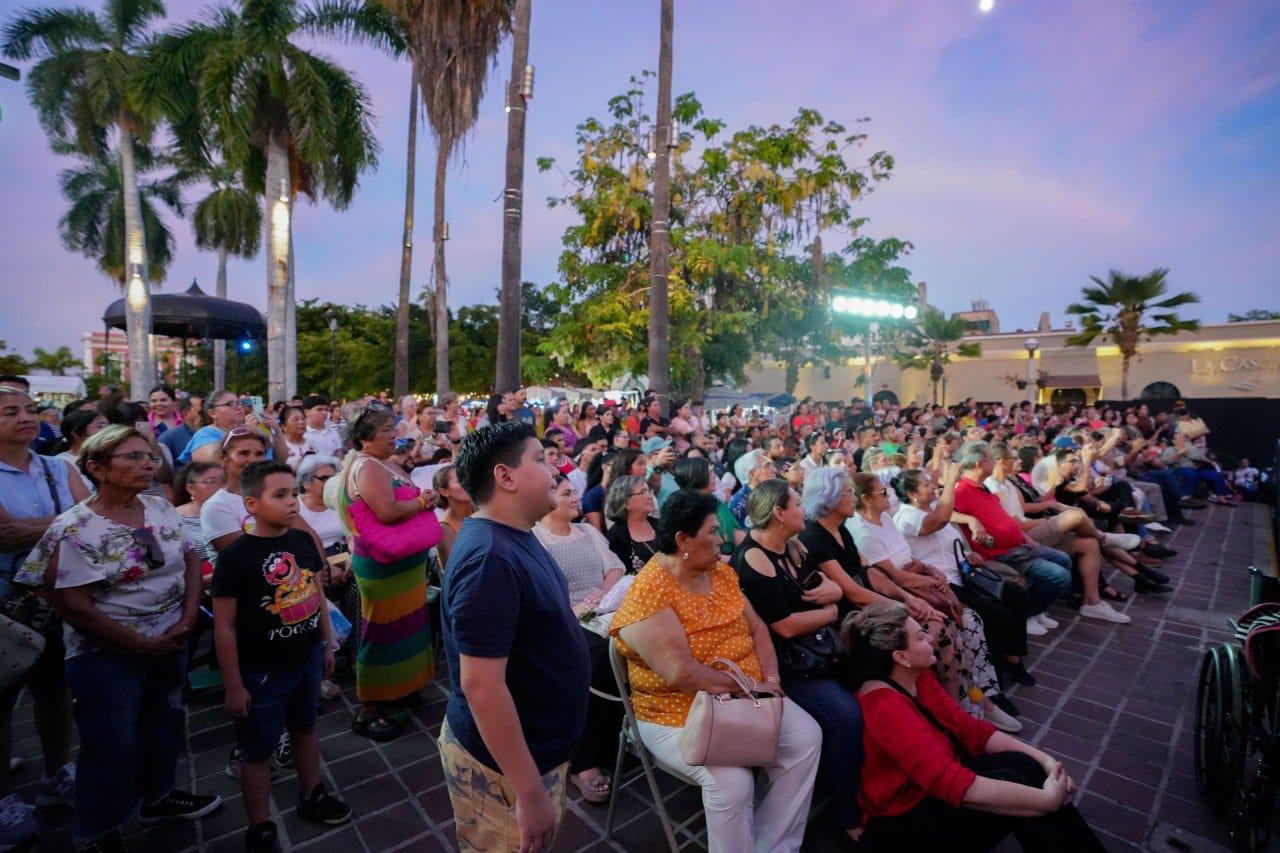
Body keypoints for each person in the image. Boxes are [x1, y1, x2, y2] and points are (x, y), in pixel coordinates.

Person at [19, 425, 221, 849]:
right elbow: (72, 604)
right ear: (96, 468)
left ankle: (158, 796)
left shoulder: (157, 506)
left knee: (163, 723)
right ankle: (98, 828)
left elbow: (188, 560)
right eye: (132, 457)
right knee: (111, 742)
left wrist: (186, 620)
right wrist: (137, 644)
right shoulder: (75, 527)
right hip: (106, 654)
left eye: (148, 456)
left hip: (170, 640)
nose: (146, 464)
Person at [610, 488, 822, 853]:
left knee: (805, 738)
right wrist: (752, 689)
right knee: (733, 785)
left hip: (744, 696)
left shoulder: (718, 571)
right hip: (679, 713)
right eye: (713, 531)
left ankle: (773, 845)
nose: (722, 538)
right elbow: (682, 673)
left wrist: (770, 681)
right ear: (683, 540)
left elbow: (756, 628)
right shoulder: (650, 592)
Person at [439, 422, 590, 852]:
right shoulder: (489, 560)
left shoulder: (516, 535)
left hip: (534, 752)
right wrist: (527, 792)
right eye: (540, 459)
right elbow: (481, 685)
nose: (558, 469)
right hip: (503, 772)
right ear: (505, 477)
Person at [846, 604, 1106, 851]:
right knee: (1028, 793)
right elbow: (951, 782)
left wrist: (1048, 763)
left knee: (1028, 767)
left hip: (931, 790)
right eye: (920, 636)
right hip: (905, 821)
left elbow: (971, 730)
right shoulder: (885, 709)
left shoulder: (916, 676)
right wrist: (1048, 799)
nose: (930, 638)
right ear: (901, 657)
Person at [212, 462, 349, 852]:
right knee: (257, 751)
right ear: (251, 504)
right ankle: (260, 826)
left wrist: (326, 643)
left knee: (306, 728)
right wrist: (234, 685)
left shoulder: (302, 541)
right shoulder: (236, 557)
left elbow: (315, 594)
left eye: (293, 494)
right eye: (280, 496)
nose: (292, 503)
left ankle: (312, 794)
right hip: (261, 670)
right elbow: (224, 626)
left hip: (305, 657)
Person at [731, 479, 865, 842]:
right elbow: (785, 627)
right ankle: (847, 813)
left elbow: (826, 584)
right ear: (779, 513)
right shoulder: (754, 559)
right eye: (797, 504)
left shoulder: (792, 546)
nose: (803, 509)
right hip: (787, 666)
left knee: (874, 678)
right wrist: (832, 610)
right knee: (847, 716)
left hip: (817, 650)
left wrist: (834, 596)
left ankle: (862, 780)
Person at [0, 384, 89, 848]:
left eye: (29, 409)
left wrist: (35, 529)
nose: (23, 417)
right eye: (8, 411)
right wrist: (65, 521)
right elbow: (2, 535)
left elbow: (89, 518)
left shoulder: (57, 466)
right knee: (2, 701)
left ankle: (56, 775)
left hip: (57, 595)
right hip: (6, 603)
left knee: (55, 691)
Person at [892, 466, 1031, 726]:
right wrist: (951, 482)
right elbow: (938, 523)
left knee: (1016, 594)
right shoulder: (906, 516)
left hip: (963, 575)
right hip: (938, 586)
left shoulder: (933, 508)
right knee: (995, 616)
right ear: (911, 494)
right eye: (925, 484)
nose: (933, 486)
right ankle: (992, 688)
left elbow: (950, 538)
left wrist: (969, 555)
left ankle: (1013, 658)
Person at [337, 405, 440, 740]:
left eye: (393, 428)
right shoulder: (366, 467)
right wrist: (424, 504)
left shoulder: (383, 463)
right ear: (365, 438)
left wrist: (423, 496)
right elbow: (387, 511)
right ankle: (369, 708)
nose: (395, 435)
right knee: (382, 630)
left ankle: (399, 688)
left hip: (403, 565)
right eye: (386, 430)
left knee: (407, 626)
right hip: (383, 567)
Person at [533, 476, 625, 804]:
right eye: (567, 493)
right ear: (547, 499)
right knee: (600, 656)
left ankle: (630, 734)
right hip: (564, 619)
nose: (576, 498)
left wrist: (602, 593)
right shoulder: (536, 540)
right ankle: (585, 759)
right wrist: (578, 607)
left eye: (575, 492)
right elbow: (542, 592)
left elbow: (615, 567)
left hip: (604, 608)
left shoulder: (588, 531)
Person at [953, 442, 1074, 636]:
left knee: (1063, 559)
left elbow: (1003, 518)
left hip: (1019, 545)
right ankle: (1027, 614)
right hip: (1002, 555)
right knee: (1061, 577)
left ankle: (1036, 610)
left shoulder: (982, 487)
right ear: (979, 463)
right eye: (991, 459)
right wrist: (969, 519)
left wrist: (1024, 536)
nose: (994, 462)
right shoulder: (960, 490)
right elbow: (943, 513)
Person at [173, 461, 226, 568]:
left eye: (224, 481)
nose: (220, 487)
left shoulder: (237, 511)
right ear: (191, 488)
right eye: (210, 481)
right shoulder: (173, 517)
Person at [604, 475, 659, 574]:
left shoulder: (660, 525)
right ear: (625, 502)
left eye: (649, 491)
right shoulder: (616, 536)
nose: (650, 496)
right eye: (642, 492)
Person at [296, 455, 345, 552]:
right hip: (311, 559)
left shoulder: (341, 501)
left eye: (333, 478)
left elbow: (351, 536)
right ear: (306, 483)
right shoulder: (295, 506)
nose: (330, 483)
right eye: (324, 478)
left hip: (342, 553)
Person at [432, 464, 474, 570]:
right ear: (444, 492)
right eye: (460, 480)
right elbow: (451, 573)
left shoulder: (480, 508)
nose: (468, 482)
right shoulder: (445, 529)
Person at [158, 394, 204, 462]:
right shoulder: (168, 438)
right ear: (185, 414)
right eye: (201, 412)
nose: (207, 414)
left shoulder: (214, 433)